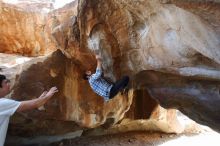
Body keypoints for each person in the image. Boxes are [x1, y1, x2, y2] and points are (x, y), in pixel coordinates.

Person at [0, 74, 58, 146]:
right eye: (6, 82)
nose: (9, 84)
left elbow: (28, 105)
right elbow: (35, 104)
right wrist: (48, 95)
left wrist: (40, 100)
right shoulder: (2, 103)